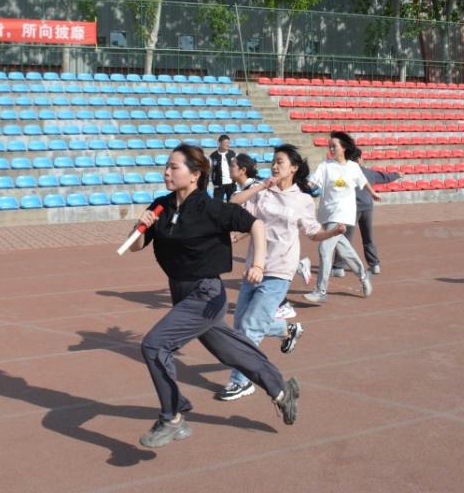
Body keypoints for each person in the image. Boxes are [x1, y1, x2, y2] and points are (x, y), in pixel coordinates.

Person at [129, 144, 299, 448]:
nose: (166, 172)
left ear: (195, 175)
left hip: (206, 294)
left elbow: (255, 224)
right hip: (181, 293)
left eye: (174, 167)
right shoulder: (161, 206)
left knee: (154, 345)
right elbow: (134, 247)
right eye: (166, 167)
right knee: (232, 352)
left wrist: (258, 264)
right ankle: (282, 390)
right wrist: (141, 227)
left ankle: (173, 417)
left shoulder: (211, 208)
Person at [215, 144, 346, 401]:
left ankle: (240, 381)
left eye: (280, 162)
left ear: (294, 168)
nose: (275, 166)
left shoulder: (302, 200)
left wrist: (334, 232)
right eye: (273, 162)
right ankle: (287, 331)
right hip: (255, 266)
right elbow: (235, 206)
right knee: (240, 324)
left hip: (280, 269)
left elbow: (313, 233)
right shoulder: (263, 193)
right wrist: (261, 187)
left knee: (251, 326)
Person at [230, 153, 311, 320]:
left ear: (242, 170)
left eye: (233, 166)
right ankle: (285, 326)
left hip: (275, 252)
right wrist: (238, 236)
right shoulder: (251, 188)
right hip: (267, 248)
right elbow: (255, 222)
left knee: (252, 318)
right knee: (251, 315)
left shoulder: (257, 187)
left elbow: (260, 216)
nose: (230, 168)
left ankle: (297, 270)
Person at [303, 131, 379, 303]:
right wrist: (302, 185)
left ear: (343, 148)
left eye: (334, 146)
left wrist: (373, 193)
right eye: (329, 146)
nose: (330, 148)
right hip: (327, 213)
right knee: (344, 248)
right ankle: (363, 276)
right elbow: (312, 182)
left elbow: (363, 181)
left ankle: (321, 290)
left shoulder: (353, 167)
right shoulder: (325, 166)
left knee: (325, 249)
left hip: (342, 213)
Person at [331, 154, 399, 277]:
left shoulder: (345, 173)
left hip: (351, 209)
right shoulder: (369, 172)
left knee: (345, 238)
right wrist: (397, 174)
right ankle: (374, 265)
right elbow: (385, 177)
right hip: (367, 207)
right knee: (368, 237)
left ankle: (338, 267)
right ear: (358, 159)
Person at [210, 134, 237, 201]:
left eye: (228, 143)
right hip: (219, 185)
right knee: (217, 204)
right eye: (226, 143)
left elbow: (236, 167)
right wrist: (214, 183)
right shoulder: (213, 156)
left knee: (232, 204)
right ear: (220, 143)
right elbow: (211, 171)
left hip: (231, 184)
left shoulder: (233, 154)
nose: (227, 145)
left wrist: (235, 180)